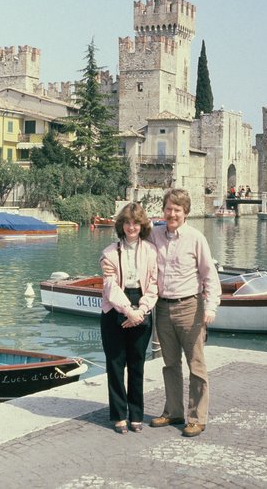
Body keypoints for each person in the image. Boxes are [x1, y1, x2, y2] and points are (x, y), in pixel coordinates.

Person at [147, 188, 221, 438]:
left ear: (185, 213)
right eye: (168, 209)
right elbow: (132, 239)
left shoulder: (195, 238)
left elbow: (209, 274)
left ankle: (197, 417)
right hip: (163, 307)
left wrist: (210, 307)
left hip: (190, 306)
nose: (172, 214)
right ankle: (173, 411)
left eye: (177, 210)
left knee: (196, 365)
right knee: (169, 364)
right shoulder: (155, 235)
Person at [99, 203, 158, 435]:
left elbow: (154, 285)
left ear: (142, 226)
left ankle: (136, 414)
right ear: (121, 225)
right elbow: (110, 287)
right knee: (115, 364)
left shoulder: (152, 252)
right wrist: (128, 310)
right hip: (115, 308)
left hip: (142, 303)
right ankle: (118, 414)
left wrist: (141, 310)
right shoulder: (109, 253)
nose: (131, 227)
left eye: (136, 223)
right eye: (127, 222)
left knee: (137, 365)